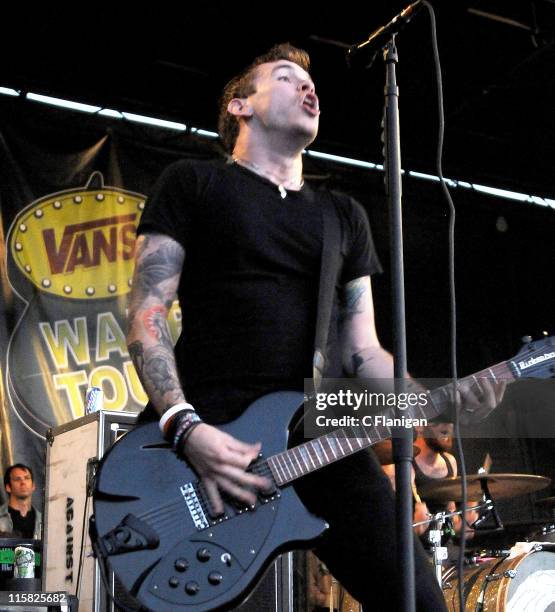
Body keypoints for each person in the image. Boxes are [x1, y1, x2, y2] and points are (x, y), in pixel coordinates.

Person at [127, 43, 505, 611]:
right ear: (239, 106)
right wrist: (184, 426)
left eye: (311, 82)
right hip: (205, 429)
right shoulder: (194, 184)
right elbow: (146, 313)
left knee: (419, 600)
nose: (309, 88)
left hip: (312, 432)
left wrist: (439, 401)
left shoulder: (341, 217)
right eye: (285, 77)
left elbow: (363, 353)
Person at [0, 464, 42, 539]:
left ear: (33, 486)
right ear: (8, 487)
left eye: (27, 478)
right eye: (17, 479)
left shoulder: (43, 521)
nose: (23, 482)